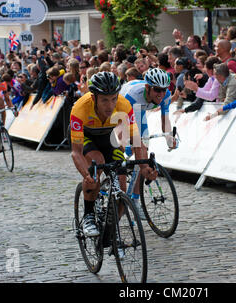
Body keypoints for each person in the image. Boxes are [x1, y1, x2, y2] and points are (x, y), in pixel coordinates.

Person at [70, 71, 157, 242]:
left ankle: (111, 229)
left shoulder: (123, 105)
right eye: (104, 100)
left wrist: (145, 168)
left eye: (113, 99)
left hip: (108, 137)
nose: (110, 105)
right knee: (97, 165)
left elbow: (137, 141)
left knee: (121, 183)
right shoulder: (80, 108)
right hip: (87, 137)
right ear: (94, 98)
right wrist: (87, 175)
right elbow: (76, 152)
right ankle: (88, 215)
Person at [120, 68, 176, 217]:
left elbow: (165, 120)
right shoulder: (131, 96)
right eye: (157, 90)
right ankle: (116, 192)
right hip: (123, 111)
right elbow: (126, 125)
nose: (161, 94)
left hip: (140, 111)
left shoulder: (166, 96)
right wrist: (129, 144)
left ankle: (135, 201)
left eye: (164, 90)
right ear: (147, 87)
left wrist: (169, 138)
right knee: (122, 153)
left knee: (143, 158)